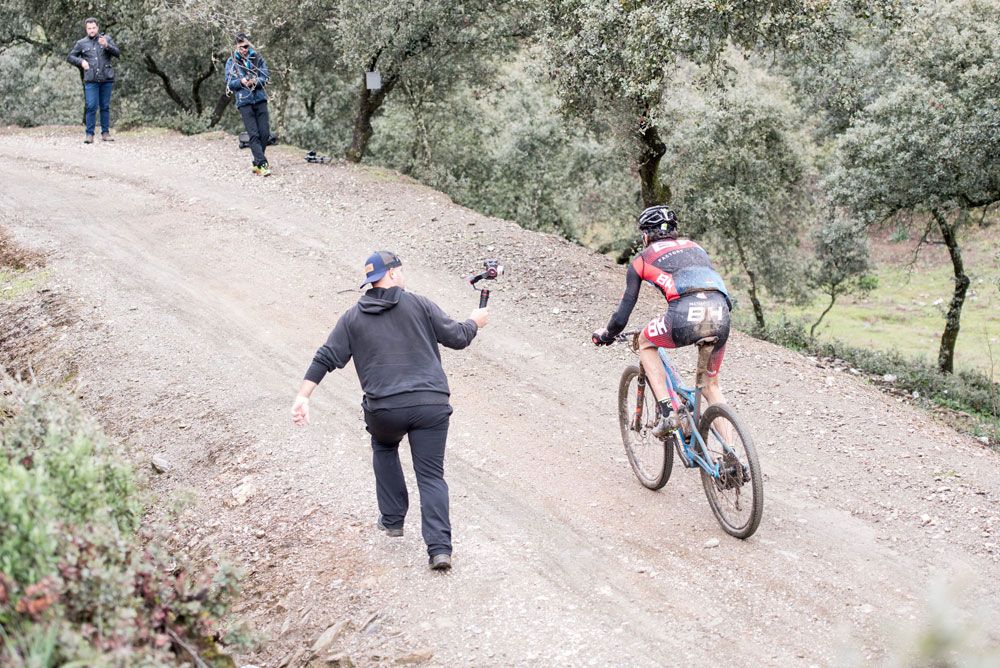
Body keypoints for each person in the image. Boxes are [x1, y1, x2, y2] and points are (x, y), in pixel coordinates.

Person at [291, 251, 490, 571]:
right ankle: (439, 550)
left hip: (384, 409)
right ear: (393, 274)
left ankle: (393, 519)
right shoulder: (419, 304)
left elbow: (325, 357)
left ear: (372, 281)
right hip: (430, 404)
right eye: (401, 270)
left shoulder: (352, 318)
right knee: (431, 475)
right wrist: (475, 322)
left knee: (384, 446)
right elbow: (458, 337)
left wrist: (303, 396)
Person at [592, 205, 732, 437]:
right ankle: (732, 453)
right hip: (721, 313)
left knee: (645, 341)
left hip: (684, 314)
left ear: (646, 235)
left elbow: (622, 315)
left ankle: (669, 413)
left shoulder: (641, 260)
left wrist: (607, 334)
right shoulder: (696, 247)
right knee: (711, 386)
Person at [66, 17, 120, 144]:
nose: (92, 30)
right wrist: (81, 61)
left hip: (106, 78)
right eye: (89, 28)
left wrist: (106, 45)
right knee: (91, 106)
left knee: (105, 106)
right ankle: (89, 135)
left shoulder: (106, 39)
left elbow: (117, 53)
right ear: (86, 29)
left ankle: (105, 133)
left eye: (94, 28)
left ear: (97, 28)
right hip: (91, 80)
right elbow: (70, 57)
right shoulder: (81, 43)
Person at [225, 34, 272, 176]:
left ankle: (257, 163)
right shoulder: (231, 62)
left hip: (260, 99)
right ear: (236, 47)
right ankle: (262, 164)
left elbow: (265, 77)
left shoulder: (258, 58)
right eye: (241, 47)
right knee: (253, 134)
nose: (244, 50)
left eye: (246, 46)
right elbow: (229, 83)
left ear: (249, 45)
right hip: (244, 102)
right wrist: (241, 82)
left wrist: (255, 81)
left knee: (265, 133)